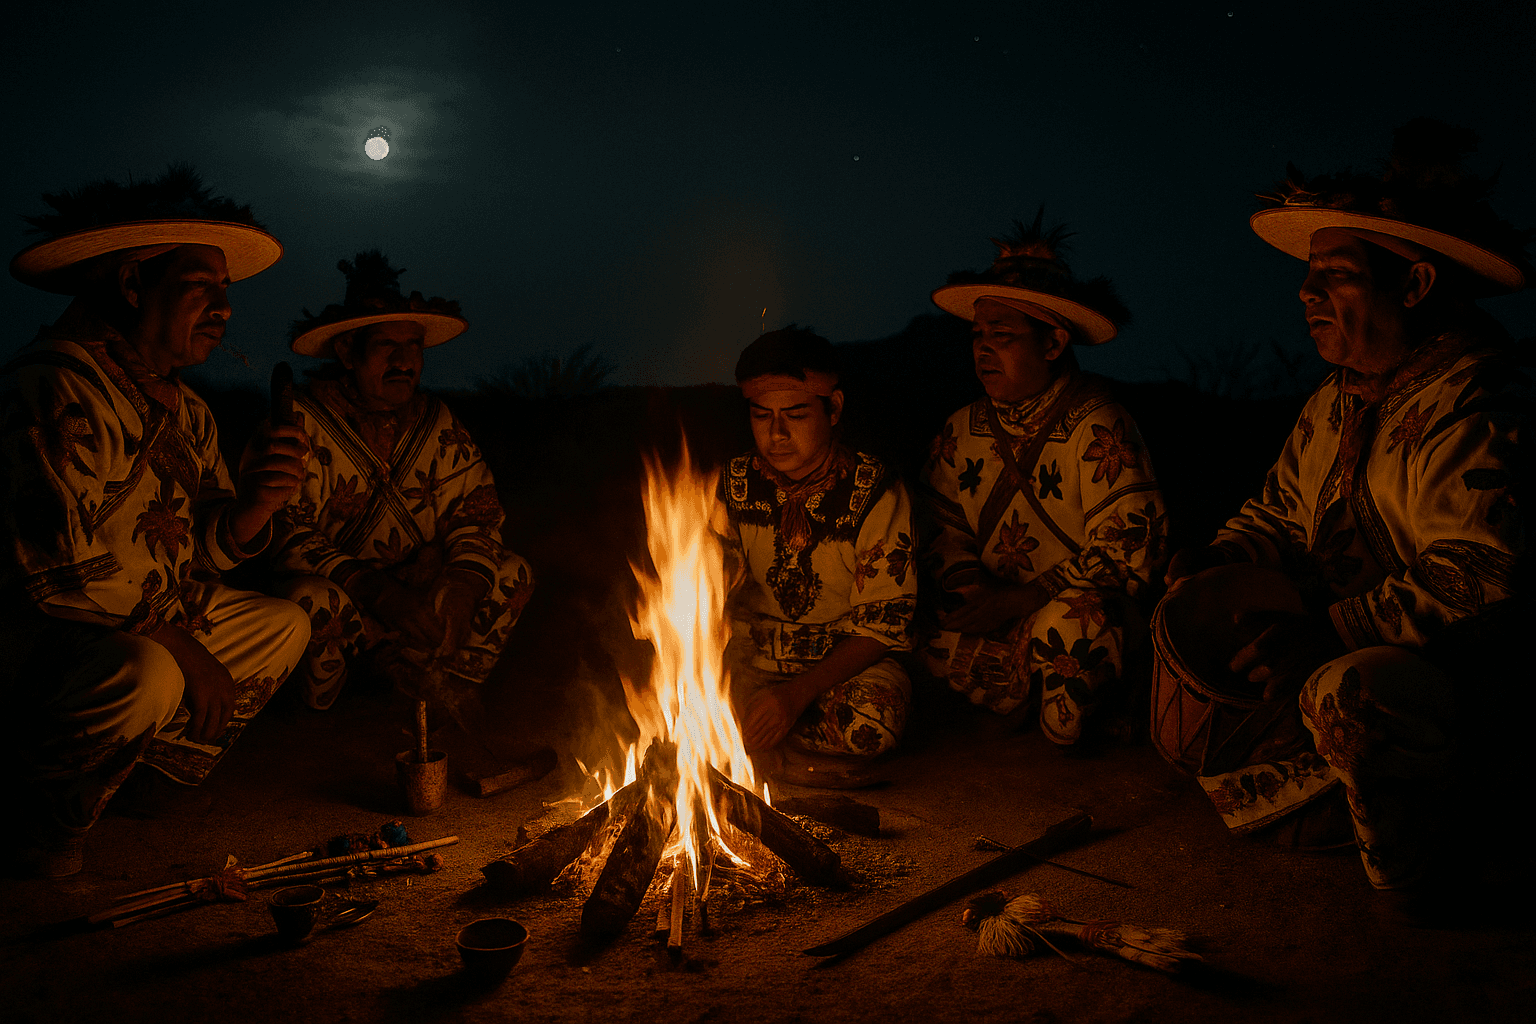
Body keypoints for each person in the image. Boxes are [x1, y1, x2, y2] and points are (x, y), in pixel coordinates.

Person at [1158, 119, 1530, 912]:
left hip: (1480, 683)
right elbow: (1282, 513)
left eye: (1336, 273)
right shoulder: (1333, 403)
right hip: (1344, 648)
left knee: (1353, 691)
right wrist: (1217, 559)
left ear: (1416, 285)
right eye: (1308, 273)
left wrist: (1333, 632)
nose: (1306, 292)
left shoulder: (1480, 398)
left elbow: (1486, 575)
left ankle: (1432, 877)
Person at [1, 166, 311, 876]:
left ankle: (148, 782)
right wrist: (181, 644)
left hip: (143, 626)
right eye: (203, 286)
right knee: (152, 671)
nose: (225, 310)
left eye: (227, 291)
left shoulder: (187, 409)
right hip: (40, 640)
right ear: (134, 283)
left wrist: (255, 503)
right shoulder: (51, 383)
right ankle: (41, 815)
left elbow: (201, 554)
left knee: (282, 623)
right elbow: (54, 572)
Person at [920, 212, 1168, 746]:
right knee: (903, 631)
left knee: (1075, 628)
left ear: (1053, 344)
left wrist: (1021, 600)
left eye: (1002, 336)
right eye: (978, 334)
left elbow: (1130, 550)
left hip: (1065, 609)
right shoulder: (961, 428)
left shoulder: (1100, 425)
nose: (983, 348)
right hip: (990, 606)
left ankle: (1067, 721)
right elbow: (940, 526)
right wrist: (974, 591)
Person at [270, 251, 533, 715]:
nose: (404, 359)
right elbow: (284, 529)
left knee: (512, 573)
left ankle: (446, 697)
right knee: (307, 601)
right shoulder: (300, 420)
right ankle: (329, 720)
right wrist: (380, 593)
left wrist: (463, 587)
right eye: (386, 345)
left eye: (413, 346)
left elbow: (479, 513)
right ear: (348, 352)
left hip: (422, 602)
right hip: (350, 599)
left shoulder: (438, 423)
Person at [723, 327, 917, 786]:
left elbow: (883, 627)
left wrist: (794, 698)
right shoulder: (730, 484)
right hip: (755, 669)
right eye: (761, 415)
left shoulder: (874, 491)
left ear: (833, 409)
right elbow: (710, 597)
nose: (776, 434)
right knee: (668, 700)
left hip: (840, 673)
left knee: (872, 724)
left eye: (795, 415)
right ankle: (785, 757)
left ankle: (770, 757)